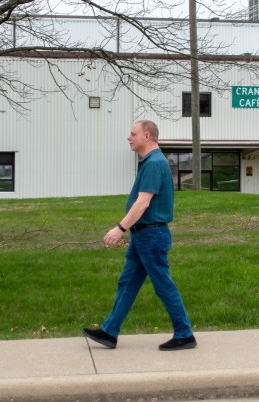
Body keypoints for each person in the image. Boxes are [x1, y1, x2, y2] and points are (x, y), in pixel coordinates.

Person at [82, 120, 196, 351]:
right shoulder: (150, 162)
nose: (129, 137)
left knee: (163, 284)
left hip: (151, 235)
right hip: (143, 236)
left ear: (147, 136)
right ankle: (109, 332)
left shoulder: (154, 163)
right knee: (128, 282)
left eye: (133, 133)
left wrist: (119, 229)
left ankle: (184, 334)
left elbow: (143, 203)